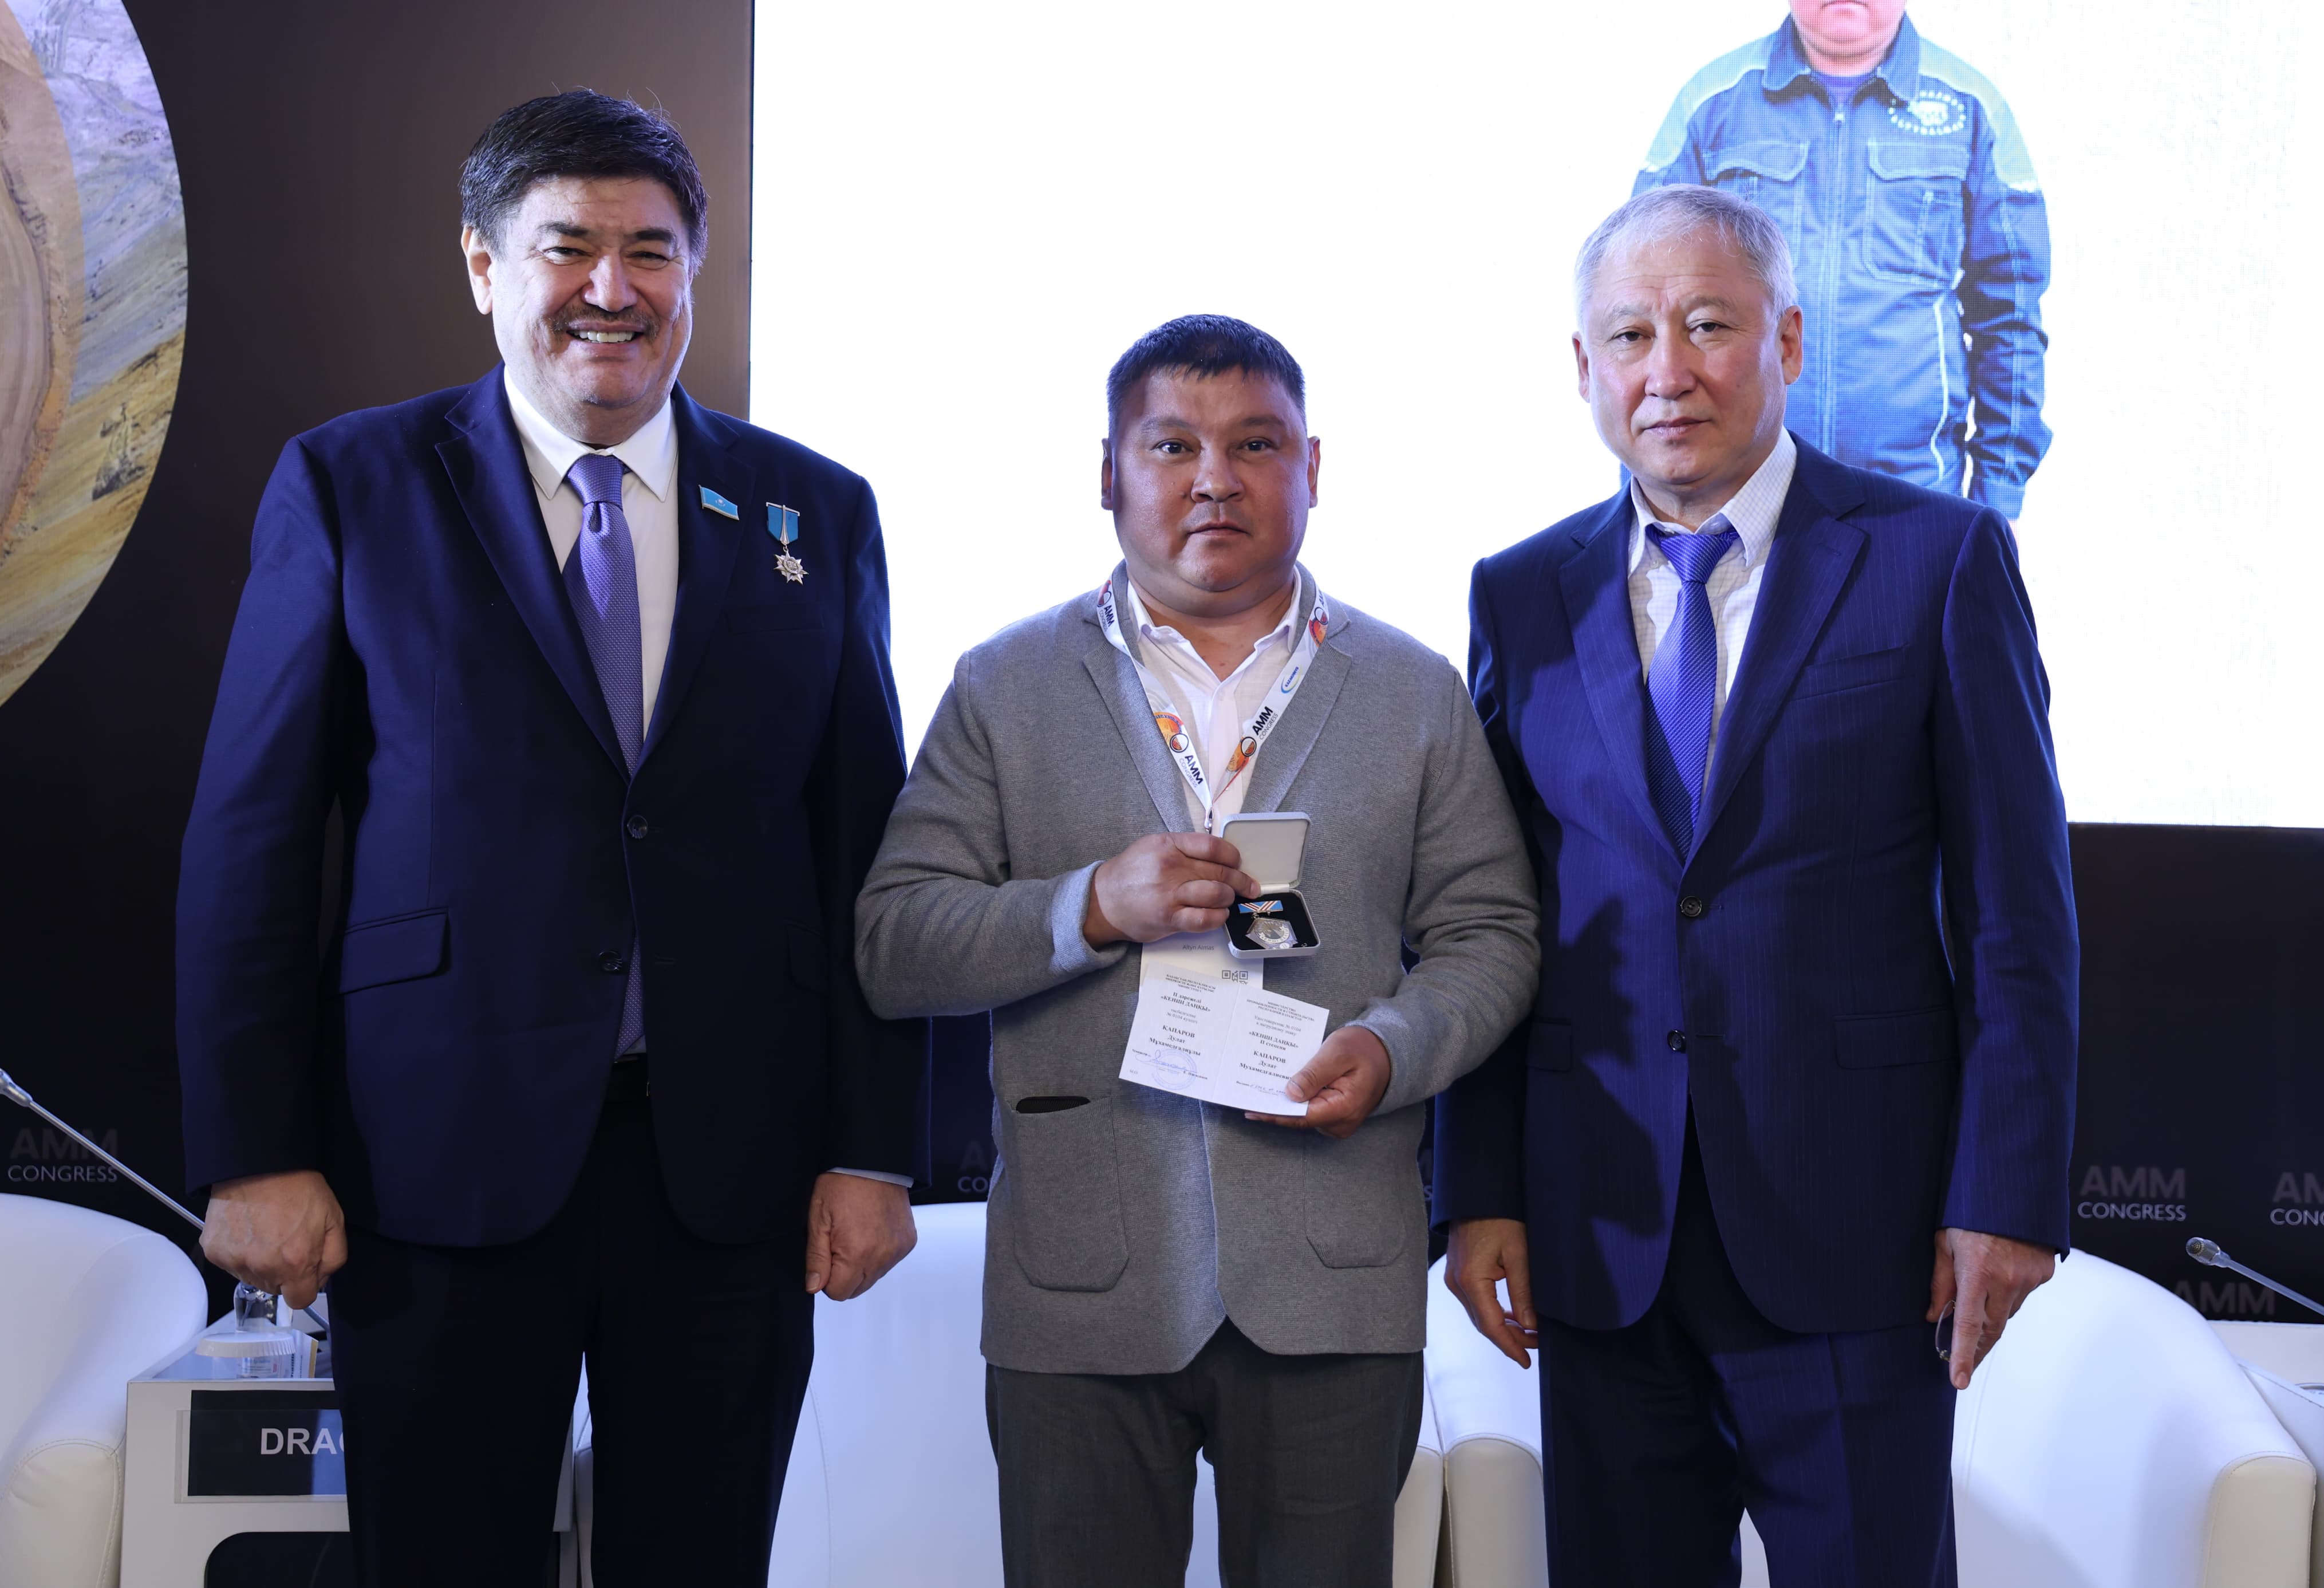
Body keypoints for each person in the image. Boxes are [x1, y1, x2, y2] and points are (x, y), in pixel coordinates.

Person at [175, 90, 924, 1584]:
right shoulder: (353, 485)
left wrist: (874, 1150)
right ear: (481, 264)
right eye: (566, 245)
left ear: (695, 269)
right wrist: (254, 1154)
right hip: (434, 1161)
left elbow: (864, 855)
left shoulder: (813, 511)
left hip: (728, 1173)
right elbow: (252, 841)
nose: (610, 288)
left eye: (650, 250)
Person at [1434, 186, 2076, 1586]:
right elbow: (1493, 918)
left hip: (1856, 1229)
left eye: (1708, 326)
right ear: (1585, 367)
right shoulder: (1520, 596)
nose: (1666, 370)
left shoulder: (1935, 559)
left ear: (1784, 338)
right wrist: (1476, 1185)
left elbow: (2016, 916)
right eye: (1629, 335)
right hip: (1603, 1235)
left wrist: (2010, 1190)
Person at [855, 315, 1539, 1588]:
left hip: (1334, 1274)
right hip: (1081, 1277)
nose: (1214, 477)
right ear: (1107, 474)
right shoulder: (1004, 684)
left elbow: (1490, 933)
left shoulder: (1413, 690)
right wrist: (1090, 906)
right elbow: (897, 941)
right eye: (1172, 445)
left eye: (1255, 444)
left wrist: (1394, 1049)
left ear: (1312, 467)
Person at [1637, 0, 2050, 519]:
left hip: (1913, 500)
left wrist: (1998, 505)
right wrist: (1653, 500)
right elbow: (1640, 309)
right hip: (1737, 502)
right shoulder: (1712, 103)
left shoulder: (1972, 110)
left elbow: (2012, 318)